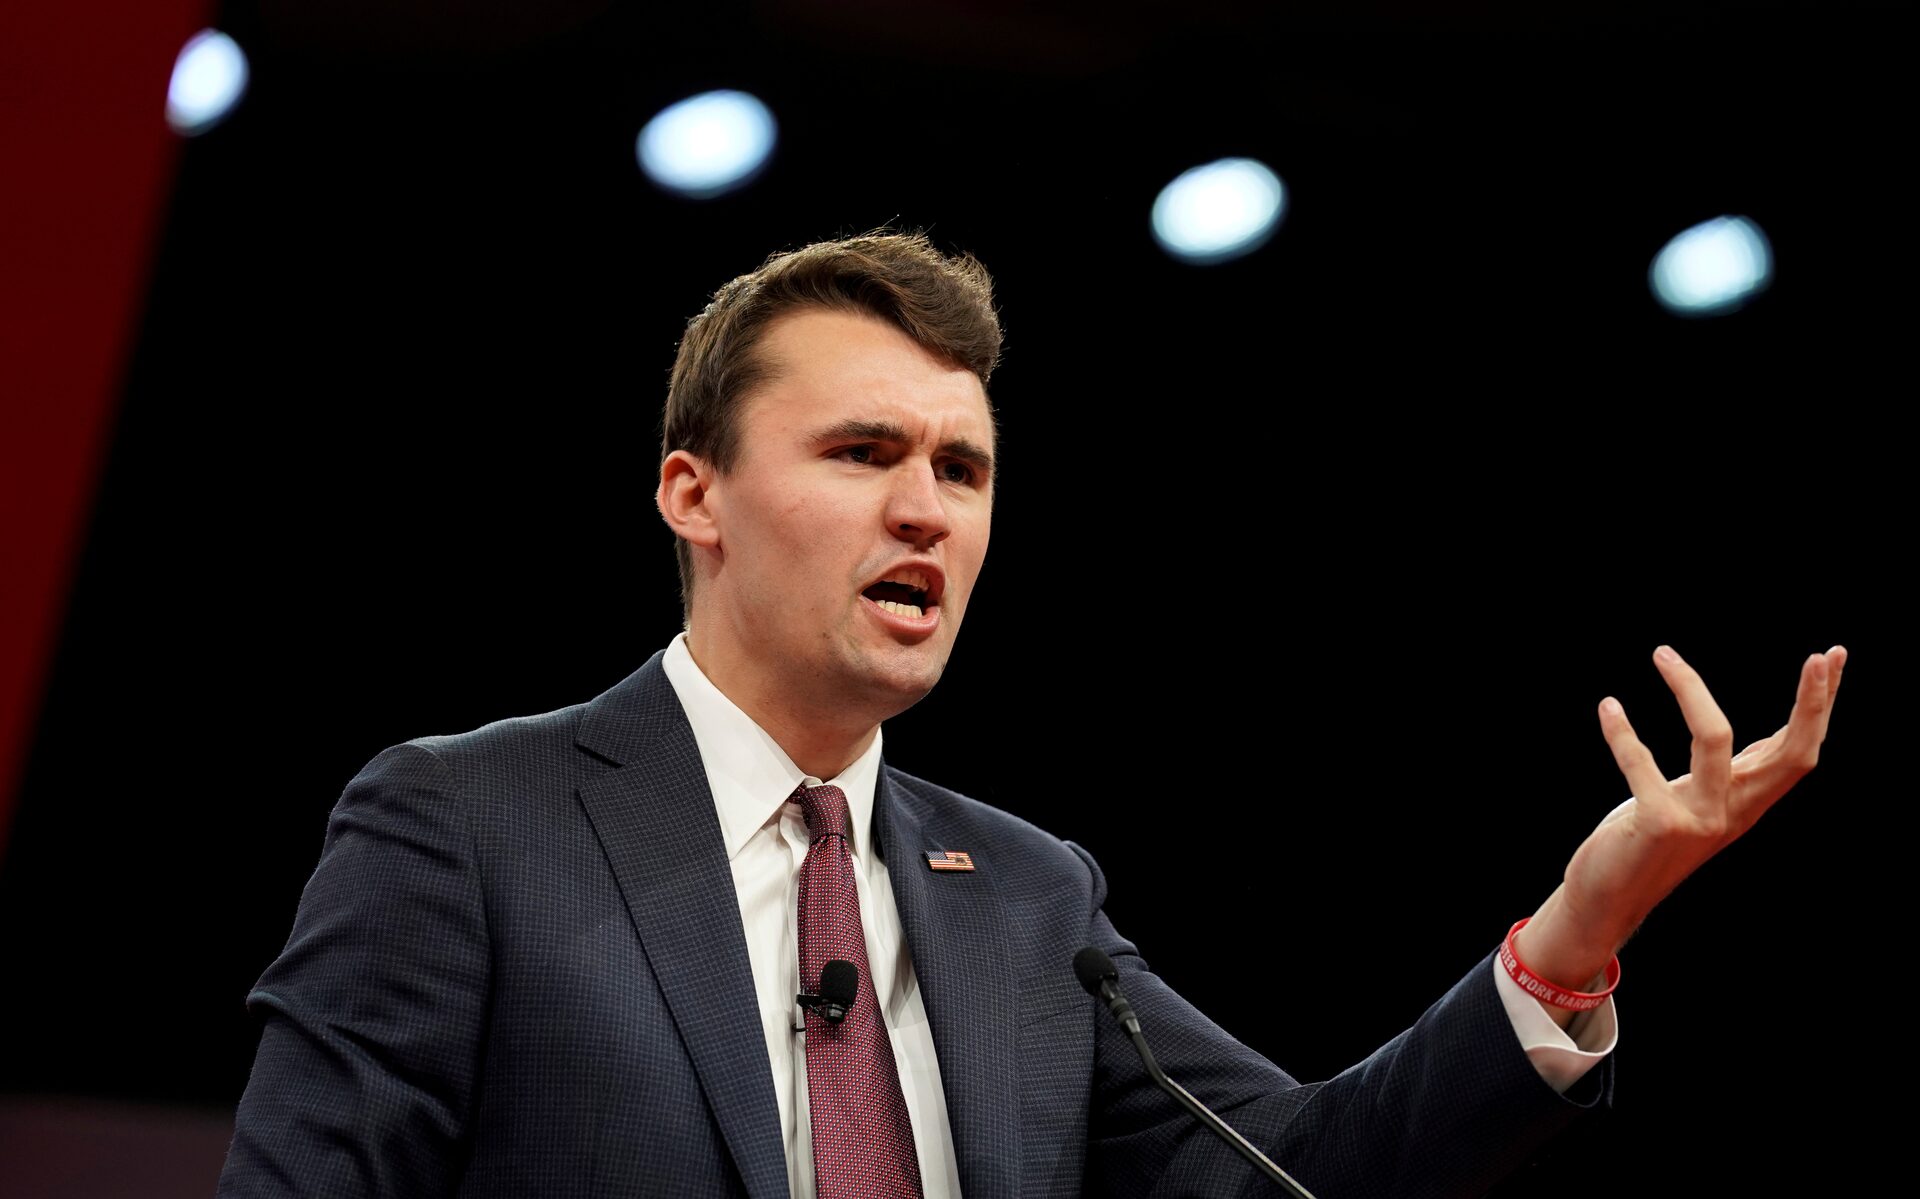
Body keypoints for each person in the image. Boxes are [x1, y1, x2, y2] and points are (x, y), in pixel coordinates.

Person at [217, 231, 1847, 1198]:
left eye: (963, 469)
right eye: (864, 453)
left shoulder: (1026, 899)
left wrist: (1580, 922)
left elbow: (1299, 1173)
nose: (927, 507)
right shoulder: (465, 826)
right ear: (692, 494)